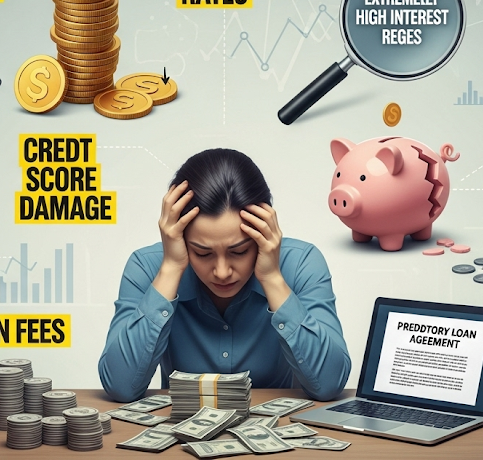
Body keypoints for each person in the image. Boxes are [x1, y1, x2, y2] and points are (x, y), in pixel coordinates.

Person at [99, 148, 351, 403]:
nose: (222, 272)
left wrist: (273, 278)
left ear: (263, 233)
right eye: (203, 253)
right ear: (180, 237)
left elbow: (329, 383)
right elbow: (120, 385)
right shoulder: (147, 267)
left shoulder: (301, 263)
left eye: (239, 251)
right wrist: (172, 267)